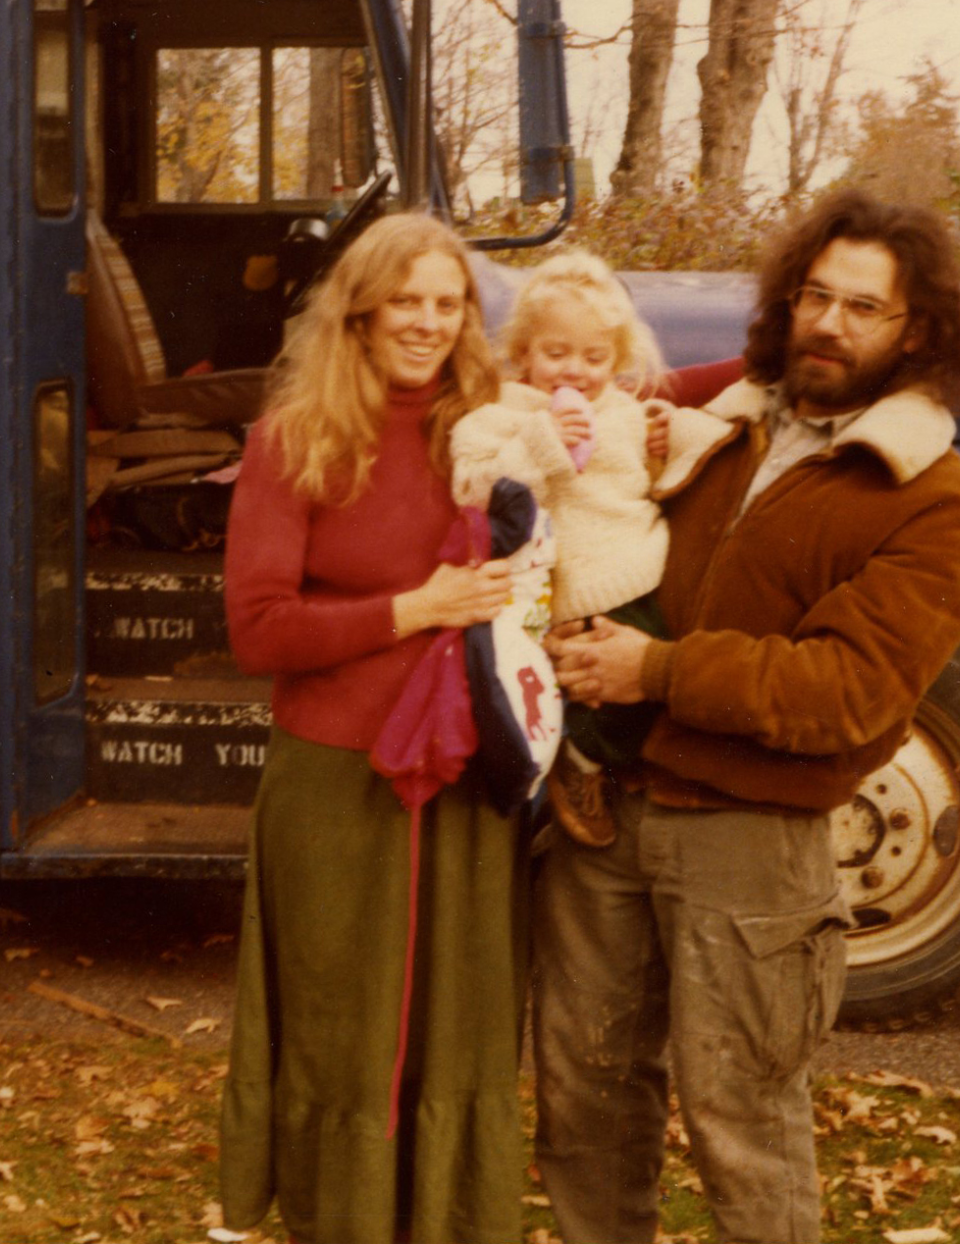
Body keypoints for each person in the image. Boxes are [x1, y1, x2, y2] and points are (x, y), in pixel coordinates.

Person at [533, 189, 960, 1244]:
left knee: (741, 1118)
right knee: (583, 1099)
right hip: (607, 819)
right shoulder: (723, 423)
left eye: (865, 307)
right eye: (817, 294)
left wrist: (658, 671)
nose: (830, 322)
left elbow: (847, 690)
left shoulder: (927, 493)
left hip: (751, 839)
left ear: (916, 331)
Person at [218, 213, 530, 1244]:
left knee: (457, 1019)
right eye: (407, 300)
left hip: (465, 768)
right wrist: (416, 607)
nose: (429, 323)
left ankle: (445, 1216)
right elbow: (256, 628)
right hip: (337, 776)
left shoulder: (492, 426)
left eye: (449, 304)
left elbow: (634, 396)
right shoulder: (295, 437)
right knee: (339, 1027)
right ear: (361, 307)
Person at [451, 250, 727, 847]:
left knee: (654, 692)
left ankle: (596, 762)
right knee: (582, 699)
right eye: (556, 354)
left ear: (618, 360)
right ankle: (576, 763)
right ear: (524, 351)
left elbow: (665, 477)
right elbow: (470, 488)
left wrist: (671, 433)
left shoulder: (625, 413)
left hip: (640, 576)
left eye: (594, 357)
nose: (575, 370)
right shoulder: (499, 415)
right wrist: (541, 443)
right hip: (559, 597)